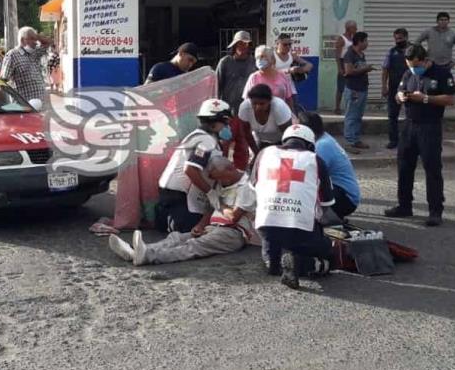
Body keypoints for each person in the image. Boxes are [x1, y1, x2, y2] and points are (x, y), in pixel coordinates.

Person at [109, 157, 259, 265]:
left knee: (194, 246)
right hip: (213, 227)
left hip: (233, 233)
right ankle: (136, 251)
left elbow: (233, 217)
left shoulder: (246, 188)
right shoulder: (224, 181)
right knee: (176, 238)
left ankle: (147, 255)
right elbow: (211, 208)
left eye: (221, 178)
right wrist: (200, 225)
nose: (220, 182)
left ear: (230, 168)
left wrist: (219, 203)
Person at [252, 124, 336, 289]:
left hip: (266, 226)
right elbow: (326, 204)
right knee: (328, 256)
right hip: (300, 231)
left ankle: (274, 262)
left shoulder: (263, 153)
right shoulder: (316, 161)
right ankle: (299, 262)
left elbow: (254, 187)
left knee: (272, 267)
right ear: (310, 145)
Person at [384, 45, 455, 227]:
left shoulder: (441, 73)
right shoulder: (408, 74)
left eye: (416, 65)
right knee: (404, 167)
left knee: (432, 169)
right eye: (409, 65)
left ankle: (435, 211)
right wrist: (400, 97)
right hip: (409, 125)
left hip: (430, 126)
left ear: (424, 60)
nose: (413, 69)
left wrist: (425, 98)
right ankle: (404, 206)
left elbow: (450, 99)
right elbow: (397, 94)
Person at [155, 98, 232, 233]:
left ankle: (166, 218)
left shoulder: (201, 137)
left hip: (173, 193)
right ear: (214, 122)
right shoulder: (206, 141)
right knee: (194, 230)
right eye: (225, 123)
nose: (227, 127)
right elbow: (190, 169)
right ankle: (170, 222)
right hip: (178, 195)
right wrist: (210, 192)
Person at [298, 111, 360, 220]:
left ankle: (326, 218)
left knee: (305, 187)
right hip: (343, 193)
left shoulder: (322, 146)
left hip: (346, 198)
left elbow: (310, 175)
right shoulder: (324, 137)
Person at [216, 31, 257, 170]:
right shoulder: (225, 62)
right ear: (234, 45)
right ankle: (221, 173)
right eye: (239, 44)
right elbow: (217, 87)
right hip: (228, 113)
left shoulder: (254, 63)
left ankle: (239, 175)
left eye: (245, 44)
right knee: (224, 145)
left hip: (247, 113)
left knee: (243, 147)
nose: (242, 47)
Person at [1, 26, 53, 104]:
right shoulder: (12, 55)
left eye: (35, 39)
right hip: (24, 107)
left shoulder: (34, 53)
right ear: (22, 40)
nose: (35, 42)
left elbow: (49, 42)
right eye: (32, 38)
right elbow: (3, 81)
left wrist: (37, 36)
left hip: (40, 106)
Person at [238, 84, 293, 155]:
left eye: (262, 104)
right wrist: (257, 154)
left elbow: (288, 135)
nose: (257, 107)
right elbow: (246, 134)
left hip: (282, 141)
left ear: (270, 101)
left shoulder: (279, 108)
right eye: (254, 103)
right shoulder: (244, 107)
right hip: (259, 140)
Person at [342, 31, 375, 151]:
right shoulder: (350, 54)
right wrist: (365, 69)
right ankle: (350, 142)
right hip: (353, 89)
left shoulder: (361, 54)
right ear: (359, 42)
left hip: (362, 88)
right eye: (365, 41)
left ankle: (356, 139)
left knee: (358, 116)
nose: (367, 43)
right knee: (351, 116)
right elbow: (349, 71)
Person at [241, 45, 294, 111]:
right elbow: (247, 101)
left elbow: (289, 98)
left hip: (281, 115)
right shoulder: (254, 77)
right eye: (257, 58)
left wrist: (291, 115)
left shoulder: (282, 75)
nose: (259, 60)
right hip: (261, 116)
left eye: (263, 57)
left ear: (272, 59)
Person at [381, 28, 410, 149]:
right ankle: (393, 140)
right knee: (392, 116)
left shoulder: (414, 50)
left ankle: (410, 140)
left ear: (406, 37)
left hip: (411, 88)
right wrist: (384, 86)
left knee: (412, 115)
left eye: (400, 38)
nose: (398, 41)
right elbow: (385, 69)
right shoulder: (392, 52)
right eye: (396, 39)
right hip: (395, 88)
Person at [274, 33, 312, 114]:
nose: (288, 47)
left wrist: (302, 69)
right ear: (277, 44)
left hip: (290, 88)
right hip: (275, 88)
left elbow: (309, 65)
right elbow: (270, 71)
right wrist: (289, 70)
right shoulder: (272, 56)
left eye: (289, 44)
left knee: (293, 112)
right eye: (285, 44)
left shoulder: (292, 55)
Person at [335, 20, 357, 115]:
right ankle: (337, 107)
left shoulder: (353, 39)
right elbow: (337, 55)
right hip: (343, 64)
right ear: (349, 28)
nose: (356, 29)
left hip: (351, 63)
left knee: (352, 87)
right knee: (341, 87)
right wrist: (340, 68)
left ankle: (350, 107)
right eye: (354, 27)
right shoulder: (342, 39)